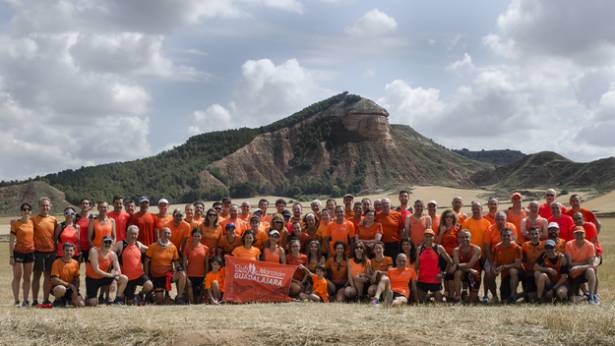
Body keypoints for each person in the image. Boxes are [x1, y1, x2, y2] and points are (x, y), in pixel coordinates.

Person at [145, 228, 186, 304]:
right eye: (165, 233)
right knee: (160, 300)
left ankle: (179, 297)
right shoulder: (153, 246)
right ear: (161, 233)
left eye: (169, 233)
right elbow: (146, 262)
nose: (167, 235)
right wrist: (147, 276)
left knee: (182, 274)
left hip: (168, 276)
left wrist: (179, 268)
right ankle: (153, 295)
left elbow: (176, 262)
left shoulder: (173, 247)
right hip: (156, 277)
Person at [483, 212, 517, 303]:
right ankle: (494, 296)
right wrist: (491, 264)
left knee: (513, 271)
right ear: (495, 220)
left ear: (506, 220)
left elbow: (514, 243)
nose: (500, 221)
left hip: (509, 256)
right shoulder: (490, 229)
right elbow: (486, 247)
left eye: (502, 219)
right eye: (498, 219)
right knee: (489, 273)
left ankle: (513, 294)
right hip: (494, 256)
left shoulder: (512, 227)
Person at [31, 197, 58, 307]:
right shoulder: (33, 220)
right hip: (38, 252)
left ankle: (46, 299)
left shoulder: (53, 220)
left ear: (50, 207)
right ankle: (35, 300)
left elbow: (55, 237)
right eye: (43, 205)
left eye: (47, 205)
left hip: (51, 252)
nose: (45, 207)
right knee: (36, 276)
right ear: (39, 206)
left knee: (48, 277)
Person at [85, 235, 127, 306]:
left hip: (104, 277)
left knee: (124, 278)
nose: (107, 244)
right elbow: (96, 270)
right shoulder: (94, 251)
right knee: (93, 303)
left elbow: (118, 270)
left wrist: (115, 279)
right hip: (92, 279)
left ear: (112, 244)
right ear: (101, 243)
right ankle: (88, 298)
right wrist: (111, 275)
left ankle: (117, 299)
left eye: (109, 242)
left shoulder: (113, 254)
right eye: (105, 242)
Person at [115, 225, 152, 305]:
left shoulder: (138, 245)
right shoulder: (121, 244)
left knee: (149, 285)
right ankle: (125, 296)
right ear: (127, 233)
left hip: (139, 276)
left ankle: (140, 295)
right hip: (127, 279)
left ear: (138, 234)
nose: (133, 236)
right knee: (130, 303)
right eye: (131, 233)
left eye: (135, 234)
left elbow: (152, 250)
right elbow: (110, 254)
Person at [415, 229, 453, 303]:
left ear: (434, 237)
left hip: (435, 280)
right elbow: (416, 265)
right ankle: (430, 296)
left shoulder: (438, 248)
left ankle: (434, 295)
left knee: (439, 302)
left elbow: (450, 261)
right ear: (424, 237)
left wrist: (444, 273)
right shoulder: (419, 249)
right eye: (426, 236)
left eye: (430, 236)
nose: (428, 238)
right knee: (420, 302)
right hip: (422, 280)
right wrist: (416, 276)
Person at [10, 203, 35, 307]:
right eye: (24, 209)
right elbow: (11, 241)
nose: (26, 211)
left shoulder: (33, 222)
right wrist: (11, 256)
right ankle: (16, 301)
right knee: (17, 277)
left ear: (31, 211)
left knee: (27, 278)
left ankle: (26, 300)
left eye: (28, 209)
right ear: (21, 211)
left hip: (30, 252)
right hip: (18, 253)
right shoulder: (15, 223)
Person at [565, 227, 598, 304]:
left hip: (583, 272)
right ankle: (586, 296)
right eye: (577, 233)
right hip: (573, 275)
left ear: (585, 234)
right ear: (574, 235)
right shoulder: (569, 244)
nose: (579, 235)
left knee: (591, 270)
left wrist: (578, 266)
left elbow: (591, 264)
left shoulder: (590, 245)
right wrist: (585, 262)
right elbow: (570, 263)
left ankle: (591, 296)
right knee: (572, 300)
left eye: (581, 233)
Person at [492, 229, 522, 304]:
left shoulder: (517, 247)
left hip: (520, 272)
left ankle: (513, 295)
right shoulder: (497, 247)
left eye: (508, 235)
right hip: (506, 275)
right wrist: (494, 270)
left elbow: (517, 265)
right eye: (504, 235)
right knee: (504, 301)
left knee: (513, 271)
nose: (506, 237)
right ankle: (520, 295)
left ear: (512, 237)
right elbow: (495, 263)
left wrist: (503, 266)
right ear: (500, 237)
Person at [50, 243, 84, 307]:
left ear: (74, 252)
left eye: (71, 250)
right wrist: (69, 285)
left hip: (70, 288)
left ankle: (68, 300)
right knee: (61, 289)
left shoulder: (75, 263)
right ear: (63, 251)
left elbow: (77, 279)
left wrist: (75, 290)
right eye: (67, 250)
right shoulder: (56, 262)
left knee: (81, 304)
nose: (69, 252)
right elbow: (54, 279)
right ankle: (58, 300)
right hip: (58, 287)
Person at [452, 230, 481, 303]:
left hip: (474, 275)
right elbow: (457, 265)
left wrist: (461, 266)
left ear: (470, 238)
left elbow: (468, 264)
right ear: (458, 239)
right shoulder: (456, 250)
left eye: (467, 237)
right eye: (462, 237)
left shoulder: (476, 249)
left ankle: (465, 295)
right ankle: (458, 297)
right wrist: (470, 270)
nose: (465, 239)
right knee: (457, 273)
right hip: (467, 272)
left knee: (471, 302)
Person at [436, 210, 458, 300]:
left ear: (453, 219)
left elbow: (459, 243)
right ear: (444, 219)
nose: (448, 219)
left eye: (451, 217)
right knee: (445, 276)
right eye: (447, 217)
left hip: (453, 256)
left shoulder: (457, 228)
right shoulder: (441, 228)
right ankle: (447, 294)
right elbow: (438, 244)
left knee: (451, 275)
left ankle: (452, 295)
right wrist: (441, 232)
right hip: (443, 256)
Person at [184, 229, 209, 304]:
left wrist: (205, 276)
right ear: (192, 236)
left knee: (198, 299)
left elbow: (206, 264)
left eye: (198, 236)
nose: (196, 237)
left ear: (201, 237)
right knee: (191, 300)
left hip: (201, 275)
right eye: (195, 236)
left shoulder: (206, 248)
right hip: (190, 275)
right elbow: (184, 263)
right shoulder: (187, 247)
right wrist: (186, 276)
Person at [521, 228, 544, 302]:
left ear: (540, 234)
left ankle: (541, 295)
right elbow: (522, 260)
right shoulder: (525, 245)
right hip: (529, 273)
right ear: (529, 235)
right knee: (531, 298)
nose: (534, 236)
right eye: (532, 234)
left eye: (536, 233)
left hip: (540, 272)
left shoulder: (544, 245)